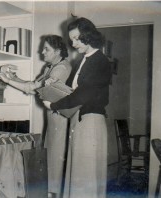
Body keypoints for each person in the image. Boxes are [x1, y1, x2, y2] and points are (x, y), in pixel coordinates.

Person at [43, 17, 112, 198]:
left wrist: (54, 105)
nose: (73, 44)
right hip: (79, 121)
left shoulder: (100, 61)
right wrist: (53, 84)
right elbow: (72, 91)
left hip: (90, 122)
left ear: (88, 36)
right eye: (71, 39)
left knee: (85, 176)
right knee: (79, 175)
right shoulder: (84, 60)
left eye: (76, 39)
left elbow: (83, 94)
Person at [0, 35, 71, 198]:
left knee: (57, 160)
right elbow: (32, 85)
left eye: (46, 49)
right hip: (53, 119)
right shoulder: (50, 68)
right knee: (51, 158)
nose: (42, 52)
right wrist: (11, 77)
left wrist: (8, 80)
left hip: (62, 119)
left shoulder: (62, 69)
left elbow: (36, 89)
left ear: (58, 51)